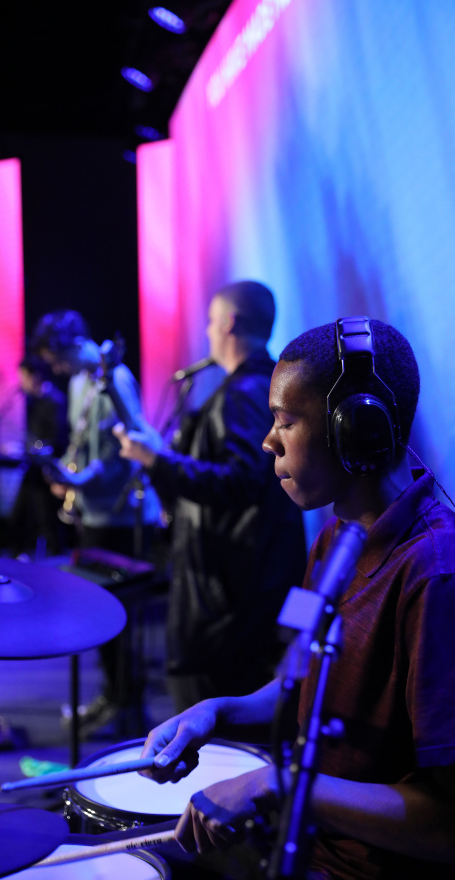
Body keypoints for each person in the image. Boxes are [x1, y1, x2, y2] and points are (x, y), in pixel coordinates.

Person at [138, 317, 455, 880]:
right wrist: (218, 712)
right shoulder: (336, 539)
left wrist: (283, 785)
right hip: (313, 851)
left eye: (285, 421)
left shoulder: (438, 576)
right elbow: (306, 688)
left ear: (357, 430)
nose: (268, 441)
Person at [114, 280, 307, 713]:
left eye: (210, 321)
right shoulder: (263, 386)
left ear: (229, 323)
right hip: (246, 585)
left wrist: (155, 461)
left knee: (210, 714)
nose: (206, 332)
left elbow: (240, 481)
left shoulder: (243, 393)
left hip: (230, 597)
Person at [31, 309, 161, 733]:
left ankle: (126, 707)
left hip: (121, 516)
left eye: (57, 359)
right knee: (100, 615)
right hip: (93, 512)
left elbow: (130, 451)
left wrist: (81, 479)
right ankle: (112, 698)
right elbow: (84, 443)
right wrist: (68, 478)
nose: (56, 369)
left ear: (73, 344)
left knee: (119, 618)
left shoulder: (116, 378)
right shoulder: (77, 383)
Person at [8, 354, 69, 556]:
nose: (21, 383)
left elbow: (58, 440)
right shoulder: (32, 402)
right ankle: (18, 558)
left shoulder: (55, 401)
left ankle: (55, 561)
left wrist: (39, 450)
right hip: (33, 468)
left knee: (47, 521)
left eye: (24, 377)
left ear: (35, 376)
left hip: (47, 470)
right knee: (18, 516)